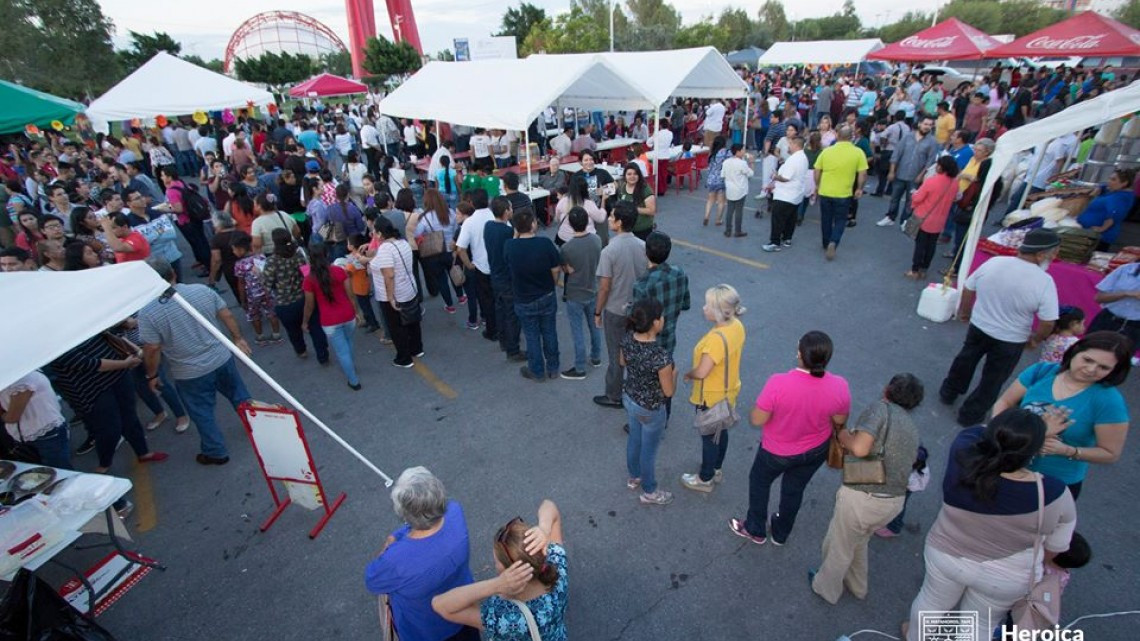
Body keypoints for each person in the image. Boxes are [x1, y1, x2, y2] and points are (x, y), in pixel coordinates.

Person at [902, 409, 1076, 641]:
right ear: (1033, 454)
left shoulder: (962, 453)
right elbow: (1054, 549)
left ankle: (916, 636)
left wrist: (1032, 432)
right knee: (981, 624)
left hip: (947, 554)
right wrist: (1035, 437)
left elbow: (980, 432)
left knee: (931, 603)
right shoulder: (1053, 493)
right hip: (1007, 575)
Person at [810, 374, 924, 605]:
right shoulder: (911, 427)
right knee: (860, 540)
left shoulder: (880, 409)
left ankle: (826, 589)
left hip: (864, 498)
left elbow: (860, 449)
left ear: (888, 389)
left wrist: (843, 436)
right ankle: (858, 585)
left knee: (838, 545)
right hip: (893, 502)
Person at [730, 331, 851, 545]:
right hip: (815, 450)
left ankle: (755, 528)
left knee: (759, 482)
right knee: (794, 490)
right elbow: (839, 419)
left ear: (799, 354)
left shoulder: (778, 383)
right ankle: (780, 533)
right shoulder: (840, 385)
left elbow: (757, 419)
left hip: (776, 452)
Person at [940, 228, 1060, 427]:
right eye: (1053, 253)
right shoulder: (1044, 281)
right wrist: (1036, 339)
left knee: (966, 359)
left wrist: (965, 312)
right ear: (1040, 254)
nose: (1054, 257)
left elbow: (969, 288)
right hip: (1011, 338)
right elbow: (1048, 322)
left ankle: (949, 392)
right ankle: (970, 415)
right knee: (993, 379)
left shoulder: (995, 262)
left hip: (979, 326)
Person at [138, 258, 253, 466]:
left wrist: (152, 374)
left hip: (189, 372)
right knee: (240, 396)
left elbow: (152, 348)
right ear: (173, 273)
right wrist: (237, 338)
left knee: (202, 413)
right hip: (221, 357)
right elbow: (226, 314)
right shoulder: (201, 290)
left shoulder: (148, 313)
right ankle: (257, 428)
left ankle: (216, 451)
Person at [992, 331, 1131, 499]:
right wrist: (997, 433)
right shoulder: (1041, 372)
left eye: (1104, 367)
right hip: (1006, 464)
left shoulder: (1109, 402)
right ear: (1075, 351)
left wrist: (1068, 451)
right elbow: (1004, 402)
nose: (1091, 370)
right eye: (1087, 360)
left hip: (1053, 482)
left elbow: (1110, 453)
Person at [365, 467, 480, 641]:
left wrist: (394, 540)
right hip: (465, 611)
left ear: (404, 513)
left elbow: (373, 581)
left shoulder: (395, 560)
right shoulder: (455, 512)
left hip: (425, 630)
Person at [431, 500, 566, 641]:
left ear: (509, 570)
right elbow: (549, 505)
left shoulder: (503, 618)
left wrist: (497, 585)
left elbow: (440, 604)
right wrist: (544, 528)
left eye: (496, 562)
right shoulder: (558, 568)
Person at [47, 333, 168, 474]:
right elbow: (88, 363)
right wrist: (125, 364)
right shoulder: (55, 345)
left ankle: (143, 452)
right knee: (109, 429)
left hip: (119, 377)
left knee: (130, 417)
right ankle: (104, 464)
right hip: (92, 389)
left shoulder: (85, 325)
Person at [680, 285, 746, 493]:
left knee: (709, 438)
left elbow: (702, 372)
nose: (704, 308)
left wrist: (688, 374)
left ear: (719, 311)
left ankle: (704, 478)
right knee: (720, 432)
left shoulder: (717, 340)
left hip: (711, 396)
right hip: (728, 392)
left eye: (708, 305)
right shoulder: (736, 326)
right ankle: (716, 468)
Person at [620, 297, 676, 506]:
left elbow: (621, 362)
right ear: (655, 323)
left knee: (635, 437)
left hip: (630, 399)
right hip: (650, 409)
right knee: (649, 450)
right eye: (661, 316)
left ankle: (634, 476)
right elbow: (668, 391)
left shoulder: (626, 339)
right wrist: (675, 373)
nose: (663, 319)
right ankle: (650, 490)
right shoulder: (661, 356)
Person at [592, 202, 647, 409]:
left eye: (612, 217)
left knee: (616, 355)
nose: (609, 219)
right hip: (638, 310)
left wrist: (597, 311)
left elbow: (604, 287)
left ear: (620, 222)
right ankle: (635, 390)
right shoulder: (643, 246)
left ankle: (614, 395)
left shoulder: (609, 251)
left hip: (616, 310)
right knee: (636, 352)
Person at [504, 206, 561, 381]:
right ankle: (553, 367)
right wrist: (553, 282)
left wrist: (516, 235)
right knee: (550, 331)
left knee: (531, 335)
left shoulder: (510, 246)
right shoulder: (544, 243)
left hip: (523, 298)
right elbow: (556, 268)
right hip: (546, 294)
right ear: (533, 225)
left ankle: (537, 370)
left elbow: (507, 263)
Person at [303, 242, 365, 390]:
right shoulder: (338, 271)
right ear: (327, 254)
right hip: (347, 314)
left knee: (341, 350)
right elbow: (350, 294)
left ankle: (353, 380)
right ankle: (351, 368)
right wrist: (357, 312)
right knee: (348, 343)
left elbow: (309, 305)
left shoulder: (309, 279)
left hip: (329, 320)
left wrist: (305, 322)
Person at [263, 228, 329, 364]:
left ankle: (301, 350)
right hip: (304, 297)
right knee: (315, 327)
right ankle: (323, 355)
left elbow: (267, 284)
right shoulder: (299, 255)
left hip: (285, 303)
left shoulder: (272, 261)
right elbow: (307, 275)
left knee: (293, 331)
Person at [371, 217, 423, 368]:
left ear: (380, 233)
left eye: (374, 231)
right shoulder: (403, 242)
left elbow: (389, 275)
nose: (373, 233)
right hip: (409, 288)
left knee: (397, 327)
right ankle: (417, 349)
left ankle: (404, 358)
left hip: (397, 293)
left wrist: (390, 298)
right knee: (413, 321)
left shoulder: (385, 249)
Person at [558, 207, 603, 379]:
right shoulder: (596, 240)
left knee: (577, 331)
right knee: (594, 326)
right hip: (592, 289)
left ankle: (580, 367)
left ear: (570, 224)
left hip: (575, 293)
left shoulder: (567, 248)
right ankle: (596, 357)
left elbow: (566, 269)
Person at [813, 126, 867, 261]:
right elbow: (863, 173)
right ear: (851, 136)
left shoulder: (827, 152)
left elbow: (817, 170)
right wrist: (859, 188)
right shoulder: (858, 152)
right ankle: (834, 241)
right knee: (840, 220)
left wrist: (817, 185)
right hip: (844, 193)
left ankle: (826, 242)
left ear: (837, 135)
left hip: (826, 191)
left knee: (826, 218)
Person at [0, 371, 73, 468]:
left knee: (59, 472)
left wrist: (3, 416)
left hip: (46, 433)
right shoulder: (10, 378)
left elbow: (12, 417)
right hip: (28, 434)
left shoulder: (23, 381)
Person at [877, 115, 939, 228]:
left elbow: (930, 162)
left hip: (915, 176)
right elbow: (897, 154)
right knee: (894, 197)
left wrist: (921, 175)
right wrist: (891, 171)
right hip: (900, 173)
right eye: (925, 124)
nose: (927, 127)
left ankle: (905, 221)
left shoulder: (932, 142)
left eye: (930, 125)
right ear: (920, 124)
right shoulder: (907, 137)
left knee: (911, 201)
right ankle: (890, 217)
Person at [905, 156, 961, 280]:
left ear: (942, 167)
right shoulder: (955, 183)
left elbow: (918, 198)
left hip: (925, 217)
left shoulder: (932, 181)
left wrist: (914, 195)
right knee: (931, 245)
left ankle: (915, 270)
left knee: (920, 245)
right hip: (940, 219)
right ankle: (924, 269)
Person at [485, 196, 523, 362]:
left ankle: (503, 340)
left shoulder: (488, 227)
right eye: (510, 208)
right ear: (506, 211)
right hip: (507, 278)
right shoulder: (507, 232)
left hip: (495, 275)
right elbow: (513, 252)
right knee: (512, 314)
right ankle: (513, 349)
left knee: (500, 309)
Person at [231, 232, 283, 345]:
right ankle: (276, 335)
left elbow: (241, 283)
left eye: (234, 249)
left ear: (240, 249)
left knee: (255, 316)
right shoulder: (261, 256)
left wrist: (242, 299)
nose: (233, 252)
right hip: (266, 291)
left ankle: (260, 337)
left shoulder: (239, 264)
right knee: (271, 313)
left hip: (252, 295)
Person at [763, 136, 808, 252]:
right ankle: (787, 238)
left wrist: (774, 177)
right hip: (796, 194)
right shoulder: (802, 158)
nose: (789, 146)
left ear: (796, 145)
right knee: (790, 218)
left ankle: (775, 242)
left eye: (790, 144)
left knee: (778, 218)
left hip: (785, 195)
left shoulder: (794, 160)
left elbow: (786, 178)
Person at [1077, 168, 1136, 251]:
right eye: (1109, 178)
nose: (1109, 181)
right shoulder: (1114, 191)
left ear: (1124, 183)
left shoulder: (1121, 197)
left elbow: (1114, 215)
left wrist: (1102, 229)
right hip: (1088, 233)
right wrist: (1100, 187)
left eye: (1113, 179)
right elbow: (1104, 186)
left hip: (1098, 238)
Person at [1088, 261, 1140, 347]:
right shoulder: (1125, 269)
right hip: (1107, 320)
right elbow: (1098, 298)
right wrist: (1126, 293)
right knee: (1088, 350)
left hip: (1134, 328)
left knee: (1119, 358)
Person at [553, 175, 606, 246]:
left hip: (564, 238)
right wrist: (603, 200)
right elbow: (601, 219)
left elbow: (558, 218)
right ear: (585, 189)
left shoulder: (563, 201)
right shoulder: (589, 204)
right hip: (586, 238)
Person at [721, 144, 754, 238]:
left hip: (730, 189)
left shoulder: (726, 162)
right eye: (743, 150)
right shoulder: (742, 163)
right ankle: (738, 231)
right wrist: (751, 163)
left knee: (730, 210)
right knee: (739, 211)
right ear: (738, 152)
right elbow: (750, 174)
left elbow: (722, 175)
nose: (744, 152)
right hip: (740, 190)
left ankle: (728, 230)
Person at [703, 137, 730, 226]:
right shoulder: (726, 152)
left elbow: (709, 168)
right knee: (721, 201)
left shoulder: (712, 153)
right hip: (721, 179)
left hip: (711, 179)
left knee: (710, 200)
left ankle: (706, 216)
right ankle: (718, 219)